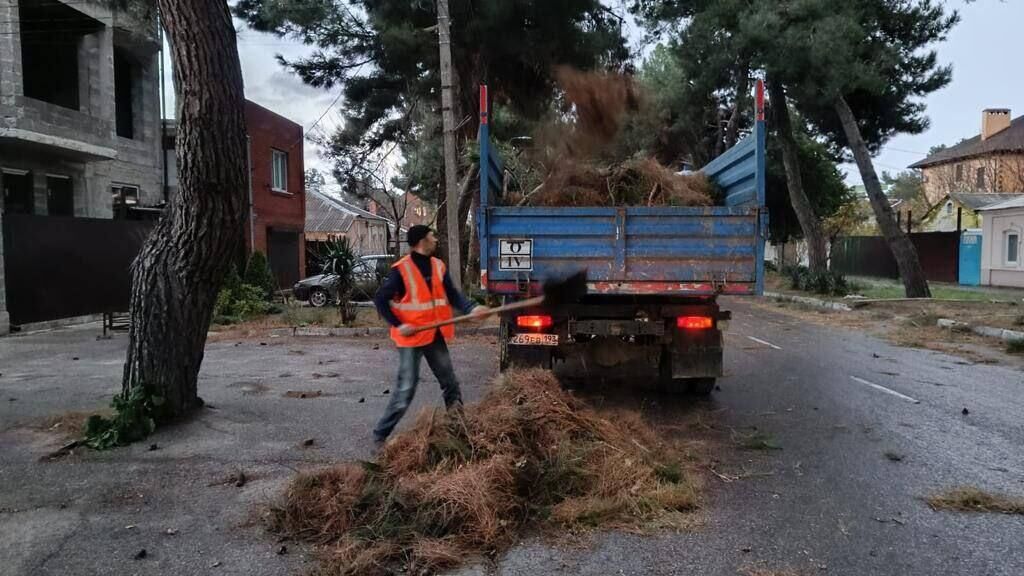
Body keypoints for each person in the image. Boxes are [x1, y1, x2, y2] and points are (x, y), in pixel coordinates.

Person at [372, 225, 490, 445]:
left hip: (433, 334)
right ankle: (381, 434)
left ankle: (459, 429)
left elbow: (453, 294)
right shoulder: (402, 270)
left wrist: (471, 308)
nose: (435, 239)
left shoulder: (438, 266)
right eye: (431, 236)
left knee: (450, 382)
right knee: (406, 388)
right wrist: (399, 325)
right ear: (421, 241)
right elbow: (380, 299)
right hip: (411, 337)